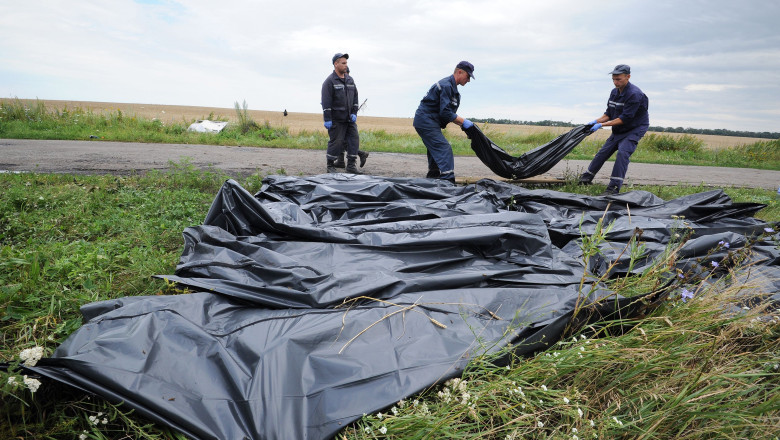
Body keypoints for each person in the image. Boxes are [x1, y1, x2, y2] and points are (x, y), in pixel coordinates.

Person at [579, 64, 649, 195]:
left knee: (623, 153)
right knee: (603, 153)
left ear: (628, 77)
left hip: (634, 129)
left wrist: (602, 125)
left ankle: (613, 188)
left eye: (619, 79)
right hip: (619, 129)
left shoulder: (634, 94)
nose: (616, 82)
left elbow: (625, 119)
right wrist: (595, 121)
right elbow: (608, 114)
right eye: (613, 79)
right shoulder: (614, 92)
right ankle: (585, 179)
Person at [413, 61, 475, 183]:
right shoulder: (446, 86)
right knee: (444, 148)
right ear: (459, 72)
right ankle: (448, 182)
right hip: (425, 120)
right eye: (468, 76)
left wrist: (465, 126)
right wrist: (463, 121)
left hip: (430, 121)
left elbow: (448, 115)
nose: (468, 80)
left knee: (434, 150)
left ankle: (432, 179)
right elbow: (446, 113)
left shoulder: (453, 90)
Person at [321, 53, 368, 174]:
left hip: (349, 119)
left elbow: (355, 97)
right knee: (336, 142)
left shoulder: (350, 79)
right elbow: (326, 102)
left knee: (353, 140)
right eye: (343, 63)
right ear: (336, 64)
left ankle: (351, 166)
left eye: (346, 63)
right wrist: (327, 119)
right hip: (336, 119)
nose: (346, 65)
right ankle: (330, 165)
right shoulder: (329, 82)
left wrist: (354, 113)